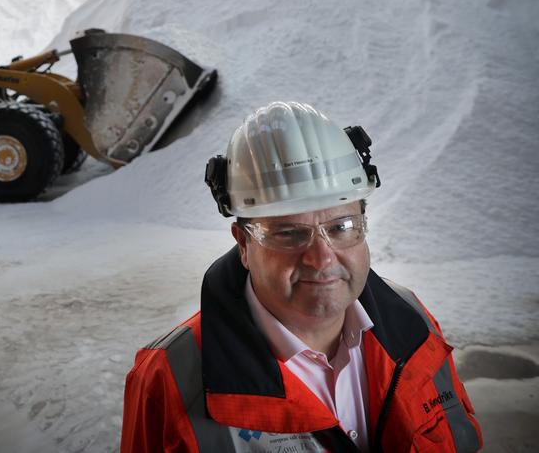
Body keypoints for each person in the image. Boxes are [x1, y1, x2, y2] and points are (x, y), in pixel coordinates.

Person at [120, 101, 481, 452]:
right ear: (244, 244)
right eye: (289, 233)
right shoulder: (168, 379)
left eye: (341, 226)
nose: (322, 258)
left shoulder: (414, 324)